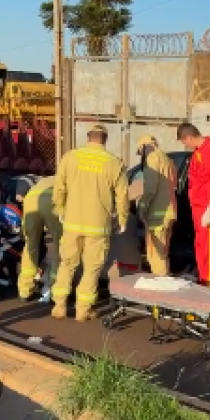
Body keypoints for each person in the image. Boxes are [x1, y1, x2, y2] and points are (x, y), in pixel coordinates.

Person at [50, 124, 129, 321]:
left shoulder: (70, 157)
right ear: (104, 139)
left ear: (88, 138)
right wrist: (122, 218)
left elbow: (59, 186)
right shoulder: (114, 163)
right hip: (98, 225)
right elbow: (122, 196)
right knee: (92, 267)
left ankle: (59, 305)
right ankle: (82, 310)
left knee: (67, 263)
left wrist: (60, 209)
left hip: (72, 221)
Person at [176, 123, 210, 288]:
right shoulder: (199, 152)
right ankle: (205, 281)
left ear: (189, 138)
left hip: (207, 210)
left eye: (184, 142)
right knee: (202, 249)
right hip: (200, 209)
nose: (185, 145)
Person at [136, 134, 177, 275]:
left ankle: (160, 288)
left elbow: (150, 189)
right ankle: (164, 282)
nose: (141, 155)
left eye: (140, 152)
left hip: (157, 216)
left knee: (155, 256)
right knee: (163, 253)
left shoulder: (152, 158)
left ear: (144, 147)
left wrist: (141, 208)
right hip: (169, 212)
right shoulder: (168, 160)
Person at [16, 176, 61, 303]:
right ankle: (54, 288)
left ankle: (24, 290)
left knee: (31, 244)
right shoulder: (73, 179)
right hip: (51, 200)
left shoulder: (46, 179)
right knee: (61, 243)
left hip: (30, 200)